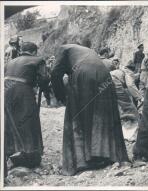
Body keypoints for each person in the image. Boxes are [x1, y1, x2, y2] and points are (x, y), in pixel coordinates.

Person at [51, 42, 129, 176]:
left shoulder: (63, 49)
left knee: (79, 113)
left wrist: (61, 96)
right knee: (103, 113)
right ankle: (107, 154)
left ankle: (82, 160)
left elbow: (55, 73)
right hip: (104, 73)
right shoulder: (85, 50)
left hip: (83, 73)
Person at [4, 42, 49, 170]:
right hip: (22, 90)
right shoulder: (38, 60)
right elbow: (44, 79)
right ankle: (30, 154)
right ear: (34, 52)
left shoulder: (11, 62)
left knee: (10, 122)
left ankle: (11, 151)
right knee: (28, 121)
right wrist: (44, 87)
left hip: (6, 91)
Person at [110, 58, 143, 142]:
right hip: (114, 83)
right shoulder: (129, 72)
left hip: (105, 84)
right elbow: (130, 85)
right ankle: (133, 134)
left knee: (118, 109)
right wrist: (140, 98)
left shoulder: (119, 70)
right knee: (130, 108)